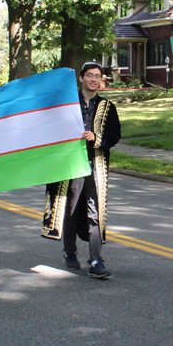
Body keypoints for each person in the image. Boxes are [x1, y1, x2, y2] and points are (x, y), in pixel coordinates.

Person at [42, 62, 121, 278]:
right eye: (89, 76)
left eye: (97, 76)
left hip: (95, 166)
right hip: (69, 166)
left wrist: (97, 138)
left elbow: (115, 135)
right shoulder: (67, 104)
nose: (93, 80)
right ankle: (70, 251)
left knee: (95, 212)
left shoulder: (107, 107)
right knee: (71, 209)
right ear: (81, 78)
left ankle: (96, 260)